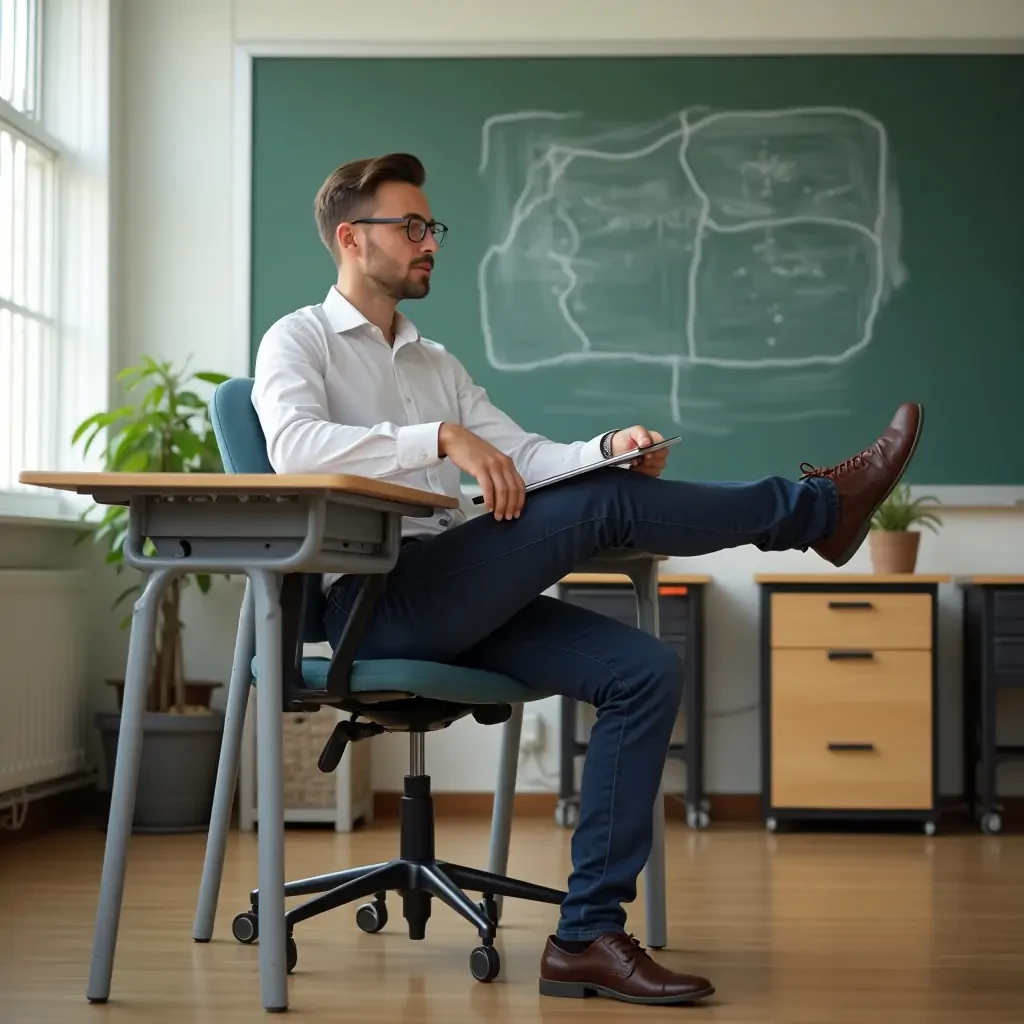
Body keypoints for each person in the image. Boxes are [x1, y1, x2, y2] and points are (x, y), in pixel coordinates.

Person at [251, 152, 923, 1006]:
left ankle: (585, 937)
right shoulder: (298, 339)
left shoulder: (434, 364)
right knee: (600, 511)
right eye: (411, 228)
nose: (431, 245)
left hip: (454, 590)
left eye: (433, 228)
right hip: (374, 601)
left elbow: (525, 457)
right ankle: (820, 513)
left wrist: (607, 451)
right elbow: (293, 448)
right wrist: (441, 442)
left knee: (646, 670)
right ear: (352, 238)